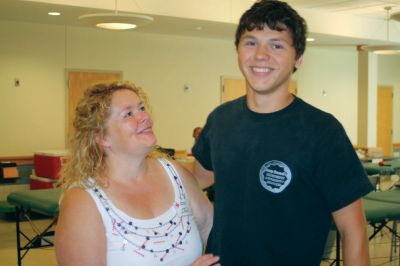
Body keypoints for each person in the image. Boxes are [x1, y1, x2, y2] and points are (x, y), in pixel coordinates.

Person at [191, 1, 373, 265]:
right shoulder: (220, 119)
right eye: (251, 42)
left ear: (298, 58)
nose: (261, 55)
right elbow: (196, 178)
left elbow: (353, 230)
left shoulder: (322, 131)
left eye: (277, 45)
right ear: (238, 50)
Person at [55, 81, 219, 266]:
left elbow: (213, 231)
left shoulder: (174, 173)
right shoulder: (83, 201)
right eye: (128, 114)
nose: (144, 117)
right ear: (102, 137)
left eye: (142, 108)